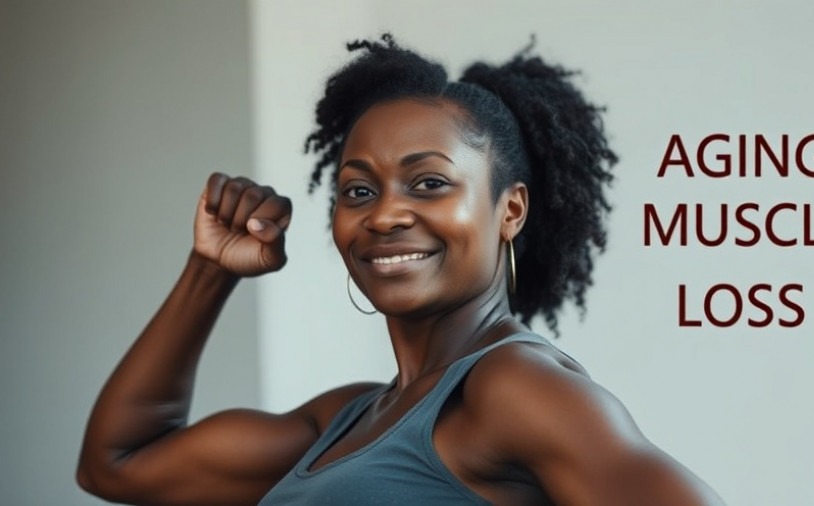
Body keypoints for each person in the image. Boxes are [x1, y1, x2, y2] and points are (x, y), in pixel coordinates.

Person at [77, 34, 723, 505]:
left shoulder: (511, 386)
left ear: (510, 210)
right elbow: (120, 463)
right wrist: (209, 269)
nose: (385, 214)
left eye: (429, 183)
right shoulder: (346, 419)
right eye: (358, 191)